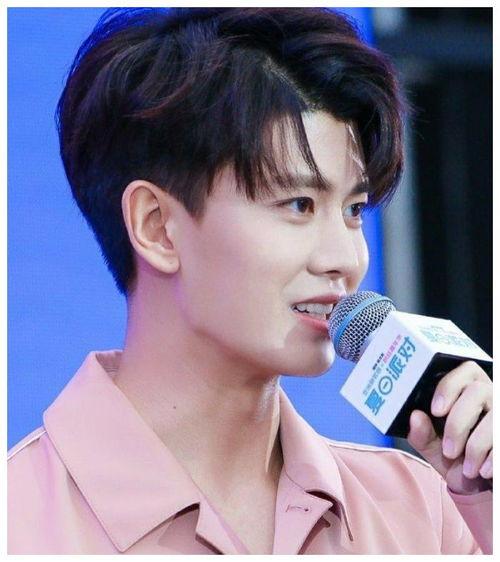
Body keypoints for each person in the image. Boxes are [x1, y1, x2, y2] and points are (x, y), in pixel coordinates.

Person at [7, 8, 492, 554]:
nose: (346, 259)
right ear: (157, 227)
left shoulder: (418, 510)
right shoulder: (21, 522)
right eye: (299, 204)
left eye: (354, 210)